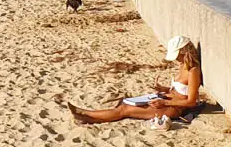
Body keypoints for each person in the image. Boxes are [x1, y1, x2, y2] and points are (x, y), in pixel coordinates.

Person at [68, 36, 201, 124]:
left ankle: (87, 116)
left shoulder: (193, 71)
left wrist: (164, 103)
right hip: (166, 101)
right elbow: (181, 90)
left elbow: (191, 101)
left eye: (177, 55)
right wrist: (164, 89)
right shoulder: (183, 65)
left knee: (125, 110)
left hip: (174, 108)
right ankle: (88, 115)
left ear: (184, 52)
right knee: (125, 104)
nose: (176, 59)